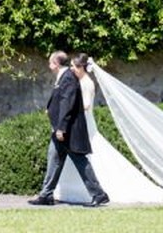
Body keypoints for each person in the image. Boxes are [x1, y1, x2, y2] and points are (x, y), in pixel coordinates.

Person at [54, 53, 163, 204]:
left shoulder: (87, 83)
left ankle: (96, 191)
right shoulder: (77, 81)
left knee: (85, 156)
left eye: (74, 66)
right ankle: (71, 189)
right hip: (79, 123)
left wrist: (70, 107)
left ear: (82, 68)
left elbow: (87, 104)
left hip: (85, 123)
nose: (71, 69)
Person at [28, 50, 110, 207]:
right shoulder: (65, 77)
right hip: (60, 129)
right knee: (54, 159)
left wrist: (61, 128)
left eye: (50, 62)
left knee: (80, 160)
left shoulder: (68, 78)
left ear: (56, 63)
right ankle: (46, 195)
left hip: (67, 130)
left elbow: (67, 104)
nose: (48, 65)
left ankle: (99, 194)